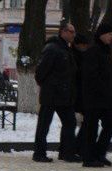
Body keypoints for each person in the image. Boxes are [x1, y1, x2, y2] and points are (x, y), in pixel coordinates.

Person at [33, 22, 80, 163]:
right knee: (44, 125)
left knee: (70, 122)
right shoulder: (52, 48)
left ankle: (66, 153)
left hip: (64, 95)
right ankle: (39, 153)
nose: (73, 34)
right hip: (51, 94)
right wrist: (50, 86)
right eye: (71, 31)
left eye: (74, 32)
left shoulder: (66, 49)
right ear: (63, 32)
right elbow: (40, 72)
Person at [81, 23, 112, 167]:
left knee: (111, 122)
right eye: (110, 34)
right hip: (95, 97)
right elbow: (91, 76)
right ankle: (89, 158)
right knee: (92, 127)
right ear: (102, 34)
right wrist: (102, 90)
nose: (111, 37)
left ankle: (99, 153)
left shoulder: (105, 50)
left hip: (106, 98)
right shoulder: (93, 51)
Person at [72, 33, 90, 157]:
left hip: (83, 94)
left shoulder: (83, 55)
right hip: (77, 94)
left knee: (85, 122)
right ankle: (77, 148)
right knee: (79, 122)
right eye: (83, 45)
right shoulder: (74, 56)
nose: (85, 47)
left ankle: (78, 147)